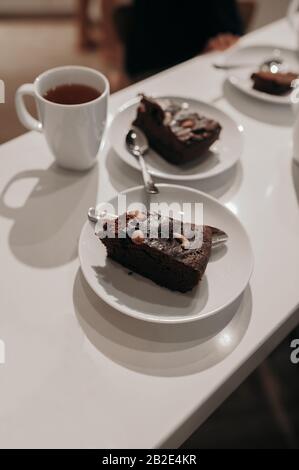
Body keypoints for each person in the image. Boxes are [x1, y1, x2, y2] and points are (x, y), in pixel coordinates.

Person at [101, 0, 244, 87]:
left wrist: (225, 38)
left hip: (211, 59)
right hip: (151, 61)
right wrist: (114, 52)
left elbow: (231, 27)